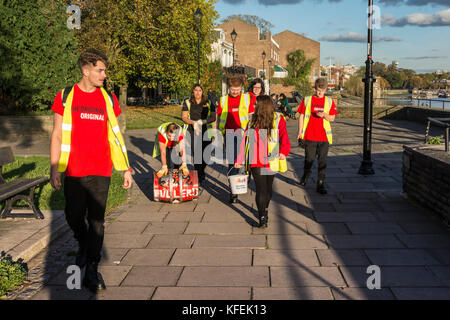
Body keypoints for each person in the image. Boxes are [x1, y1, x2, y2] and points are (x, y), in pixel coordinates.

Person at [50, 49, 133, 293]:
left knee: (97, 220)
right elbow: (56, 134)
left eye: (104, 70)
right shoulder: (65, 96)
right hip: (73, 170)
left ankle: (92, 270)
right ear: (86, 70)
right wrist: (54, 168)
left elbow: (117, 137)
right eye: (100, 70)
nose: (104, 75)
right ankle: (84, 244)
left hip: (101, 169)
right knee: (73, 215)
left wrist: (125, 169)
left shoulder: (108, 99)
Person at [235, 95, 291, 228]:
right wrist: (240, 159)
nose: (254, 107)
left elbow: (284, 136)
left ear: (262, 106)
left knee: (268, 190)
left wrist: (284, 151)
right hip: (256, 160)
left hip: (271, 159)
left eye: (256, 105)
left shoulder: (278, 119)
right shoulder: (252, 120)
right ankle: (262, 216)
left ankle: (264, 208)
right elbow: (245, 141)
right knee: (261, 189)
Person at [217, 76, 255, 203]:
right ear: (229, 88)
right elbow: (219, 118)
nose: (235, 92)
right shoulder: (223, 100)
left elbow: (251, 115)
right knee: (232, 162)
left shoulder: (246, 98)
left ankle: (240, 182)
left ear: (241, 88)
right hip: (228, 133)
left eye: (237, 89)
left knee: (241, 161)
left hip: (243, 134)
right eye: (233, 89)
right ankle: (233, 191)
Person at [297, 78, 338, 194]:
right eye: (318, 90)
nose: (320, 93)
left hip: (324, 138)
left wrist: (325, 115)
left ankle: (320, 184)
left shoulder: (329, 102)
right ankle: (305, 176)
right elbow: (301, 116)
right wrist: (300, 132)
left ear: (325, 89)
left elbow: (332, 118)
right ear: (315, 89)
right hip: (309, 136)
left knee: (322, 162)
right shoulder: (307, 100)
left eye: (322, 90)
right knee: (309, 160)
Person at [181, 84, 216, 187]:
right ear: (193, 92)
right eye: (195, 90)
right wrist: (193, 123)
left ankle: (200, 172)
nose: (197, 92)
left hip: (205, 130)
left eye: (199, 90)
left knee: (206, 155)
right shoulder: (188, 102)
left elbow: (213, 117)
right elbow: (184, 117)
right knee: (197, 155)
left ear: (202, 92)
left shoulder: (208, 102)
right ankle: (200, 177)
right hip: (192, 130)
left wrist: (203, 121)